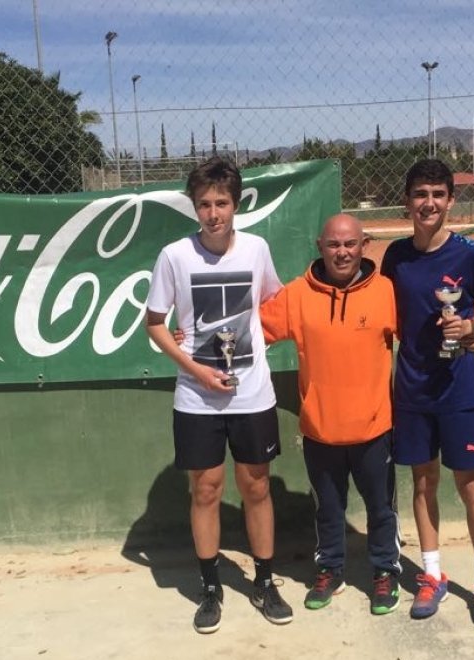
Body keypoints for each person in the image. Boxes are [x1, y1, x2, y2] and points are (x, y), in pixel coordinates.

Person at [144, 156, 293, 634]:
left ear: (236, 203)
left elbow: (271, 303)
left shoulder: (255, 250)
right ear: (194, 207)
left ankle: (265, 582)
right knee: (205, 490)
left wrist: (254, 345)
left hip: (252, 394)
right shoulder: (174, 256)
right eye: (205, 204)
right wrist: (196, 369)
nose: (214, 213)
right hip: (196, 398)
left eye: (222, 203)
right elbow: (155, 325)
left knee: (256, 487)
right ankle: (210, 588)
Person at [379, 158, 474, 626]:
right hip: (411, 389)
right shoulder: (395, 257)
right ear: (408, 202)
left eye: (437, 194)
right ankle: (431, 574)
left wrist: (472, 325)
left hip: (459, 387)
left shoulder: (471, 253)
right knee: (422, 481)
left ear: (450, 200)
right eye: (420, 194)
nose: (428, 203)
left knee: (470, 484)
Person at [258, 213, 403, 615]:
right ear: (320, 246)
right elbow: (249, 329)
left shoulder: (386, 292)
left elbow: (421, 340)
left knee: (381, 509)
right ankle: (330, 570)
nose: (342, 252)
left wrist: (465, 330)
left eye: (350, 244)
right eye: (334, 245)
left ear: (364, 245)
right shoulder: (296, 294)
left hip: (375, 429)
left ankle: (384, 572)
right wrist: (193, 335)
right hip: (320, 429)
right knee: (328, 509)